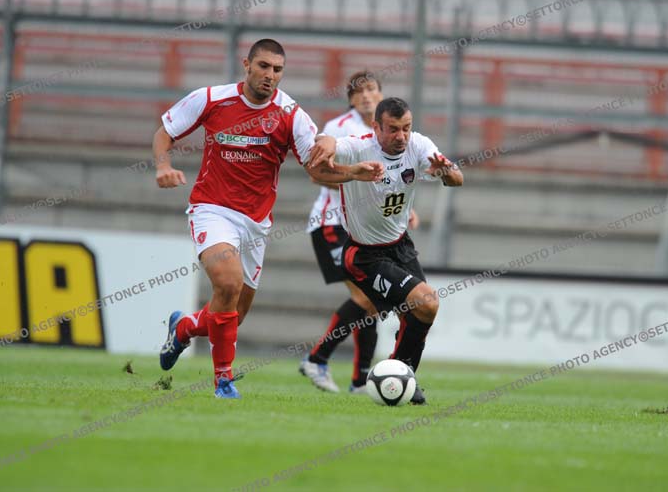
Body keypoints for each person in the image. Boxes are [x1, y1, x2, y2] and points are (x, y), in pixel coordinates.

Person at [153, 39, 383, 399]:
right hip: (212, 209)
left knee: (233, 314)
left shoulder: (290, 114)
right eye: (263, 66)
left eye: (277, 70)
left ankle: (183, 328)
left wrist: (353, 172)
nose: (270, 75)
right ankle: (223, 381)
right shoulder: (211, 99)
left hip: (256, 223)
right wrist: (163, 166)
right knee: (227, 284)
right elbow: (165, 132)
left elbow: (316, 169)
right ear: (247, 64)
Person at [306, 97, 463, 405]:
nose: (401, 136)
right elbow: (316, 170)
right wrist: (350, 170)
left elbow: (457, 179)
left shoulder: (419, 145)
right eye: (393, 129)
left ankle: (400, 375)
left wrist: (445, 172)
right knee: (424, 302)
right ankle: (383, 373)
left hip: (401, 247)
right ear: (376, 127)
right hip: (365, 255)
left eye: (406, 128)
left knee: (420, 312)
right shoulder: (358, 146)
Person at [300, 71, 419, 394]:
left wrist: (400, 208)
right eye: (358, 92)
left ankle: (359, 380)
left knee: (372, 303)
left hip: (368, 226)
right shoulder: (339, 128)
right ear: (350, 99)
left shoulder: (391, 131)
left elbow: (393, 179)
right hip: (333, 223)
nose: (365, 96)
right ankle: (317, 359)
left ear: (381, 95)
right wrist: (354, 178)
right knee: (367, 298)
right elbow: (316, 174)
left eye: (371, 89)